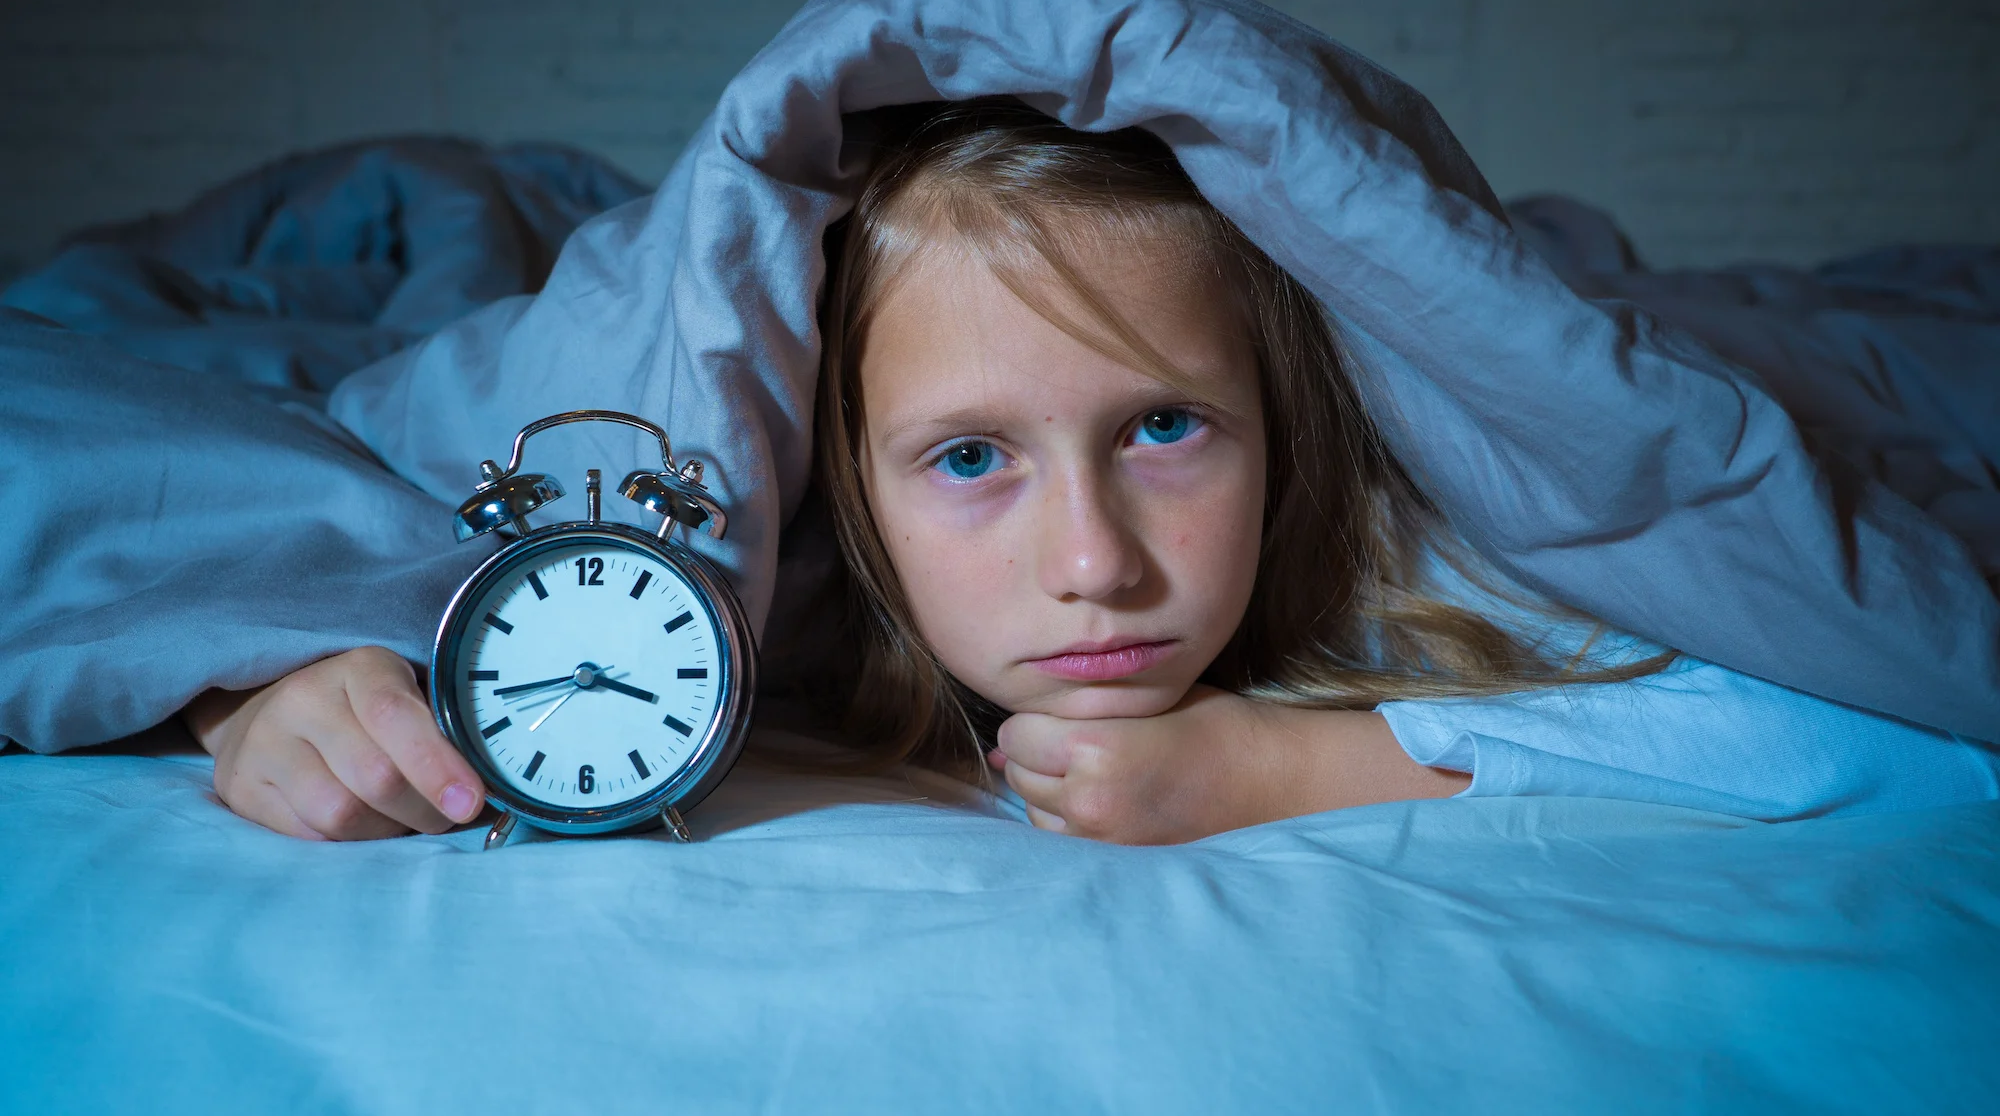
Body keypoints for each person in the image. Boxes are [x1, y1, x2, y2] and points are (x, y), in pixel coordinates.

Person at [184, 98, 2000, 842]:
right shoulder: (742, 543)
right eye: (969, 457)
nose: (1099, 565)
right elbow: (238, 511)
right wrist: (281, 679)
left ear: (1281, 417)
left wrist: (1295, 760)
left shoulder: (1389, 527)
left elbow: (1860, 706)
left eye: (1162, 427)